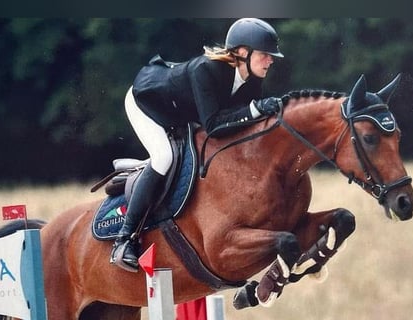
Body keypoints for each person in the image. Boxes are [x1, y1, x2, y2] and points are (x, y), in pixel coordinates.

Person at [110, 17, 285, 272]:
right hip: (147, 104)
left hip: (181, 114)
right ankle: (124, 240)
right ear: (243, 52)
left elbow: (243, 127)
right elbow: (214, 126)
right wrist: (255, 110)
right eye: (265, 55)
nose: (271, 60)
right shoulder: (206, 70)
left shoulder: (252, 80)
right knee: (164, 157)